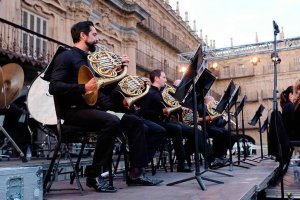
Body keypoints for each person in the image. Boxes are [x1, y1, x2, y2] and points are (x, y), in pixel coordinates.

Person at [49, 21, 160, 193]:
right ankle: (94, 175)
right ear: (82, 36)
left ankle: (136, 173)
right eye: (94, 34)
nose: (97, 38)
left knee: (135, 122)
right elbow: (54, 87)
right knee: (111, 121)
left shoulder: (91, 61)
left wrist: (120, 72)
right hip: (72, 110)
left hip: (95, 108)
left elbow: (105, 88)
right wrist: (83, 88)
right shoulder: (66, 56)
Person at [138, 70, 215, 172]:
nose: (166, 80)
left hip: (166, 122)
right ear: (156, 78)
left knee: (196, 131)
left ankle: (210, 159)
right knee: (176, 128)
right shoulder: (149, 92)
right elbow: (145, 111)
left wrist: (179, 108)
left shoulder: (162, 93)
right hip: (156, 123)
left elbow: (172, 108)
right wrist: (164, 111)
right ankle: (181, 164)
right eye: (164, 77)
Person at [198, 95, 238, 166]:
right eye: (212, 101)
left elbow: (219, 124)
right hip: (206, 128)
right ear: (206, 101)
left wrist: (225, 120)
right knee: (221, 132)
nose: (214, 102)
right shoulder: (202, 107)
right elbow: (205, 120)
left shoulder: (214, 109)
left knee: (233, 136)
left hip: (215, 127)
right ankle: (218, 155)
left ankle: (221, 154)